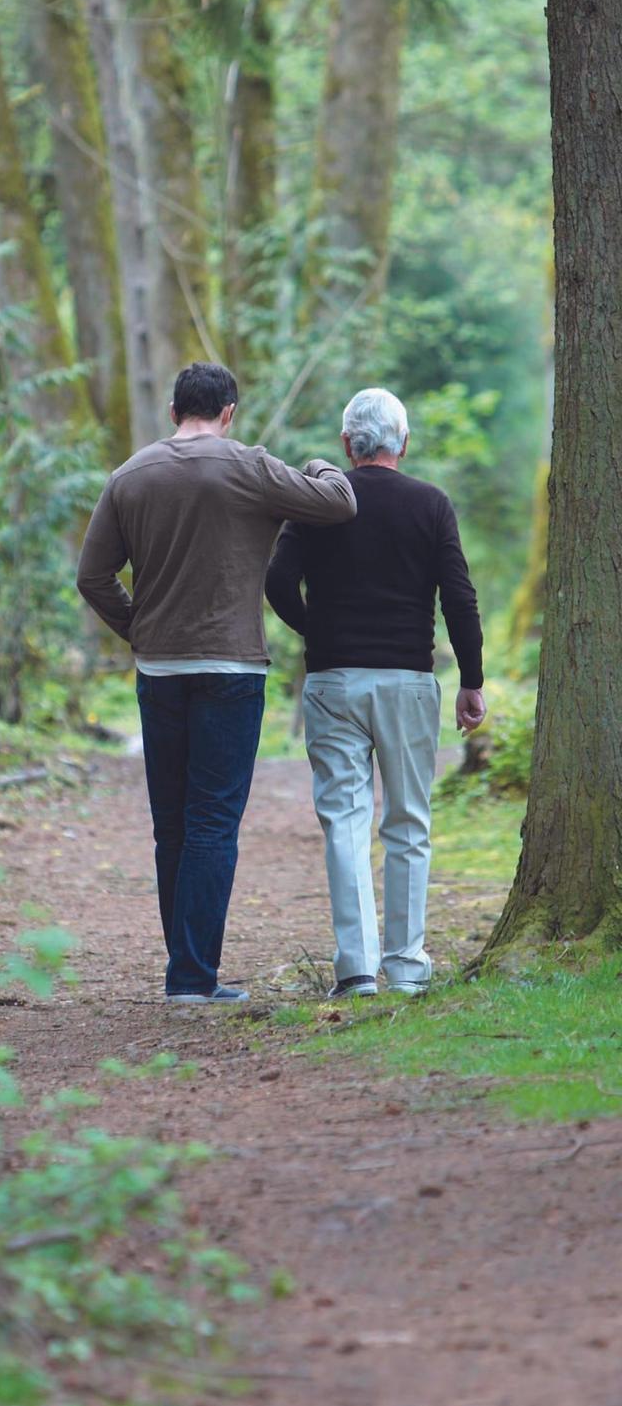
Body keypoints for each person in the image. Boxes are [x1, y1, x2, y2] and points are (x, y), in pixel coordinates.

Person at [77, 361, 357, 1003]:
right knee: (211, 824)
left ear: (174, 411)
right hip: (231, 667)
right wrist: (319, 464)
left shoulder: (131, 475)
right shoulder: (249, 466)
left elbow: (93, 577)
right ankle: (192, 980)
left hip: (160, 669)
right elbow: (340, 503)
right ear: (227, 412)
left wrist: (140, 629)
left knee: (170, 826)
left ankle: (187, 974)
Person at [265, 387, 486, 999]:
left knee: (344, 818)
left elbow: (278, 581)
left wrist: (319, 631)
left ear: (346, 445)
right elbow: (458, 597)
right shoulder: (431, 504)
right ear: (404, 443)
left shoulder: (318, 505)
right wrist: (472, 679)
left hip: (334, 681)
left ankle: (356, 968)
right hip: (408, 682)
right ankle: (407, 967)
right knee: (408, 821)